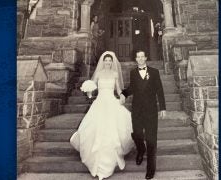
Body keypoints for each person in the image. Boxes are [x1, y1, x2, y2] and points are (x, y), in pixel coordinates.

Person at [70, 51, 134, 180]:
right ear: (103, 62)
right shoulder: (98, 74)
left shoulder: (115, 74)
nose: (108, 62)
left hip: (111, 101)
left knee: (112, 130)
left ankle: (109, 163)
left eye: (110, 61)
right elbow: (92, 88)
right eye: (106, 60)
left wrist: (122, 95)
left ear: (112, 62)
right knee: (95, 129)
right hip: (99, 102)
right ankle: (97, 163)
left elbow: (118, 90)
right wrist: (88, 91)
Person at [120, 50, 166, 179]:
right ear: (135, 59)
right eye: (138, 57)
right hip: (137, 110)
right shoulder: (133, 73)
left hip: (151, 111)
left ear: (146, 57)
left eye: (142, 56)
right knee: (137, 134)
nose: (140, 59)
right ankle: (141, 149)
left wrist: (162, 108)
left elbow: (160, 90)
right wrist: (124, 94)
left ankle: (150, 169)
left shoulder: (154, 72)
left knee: (151, 139)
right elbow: (132, 88)